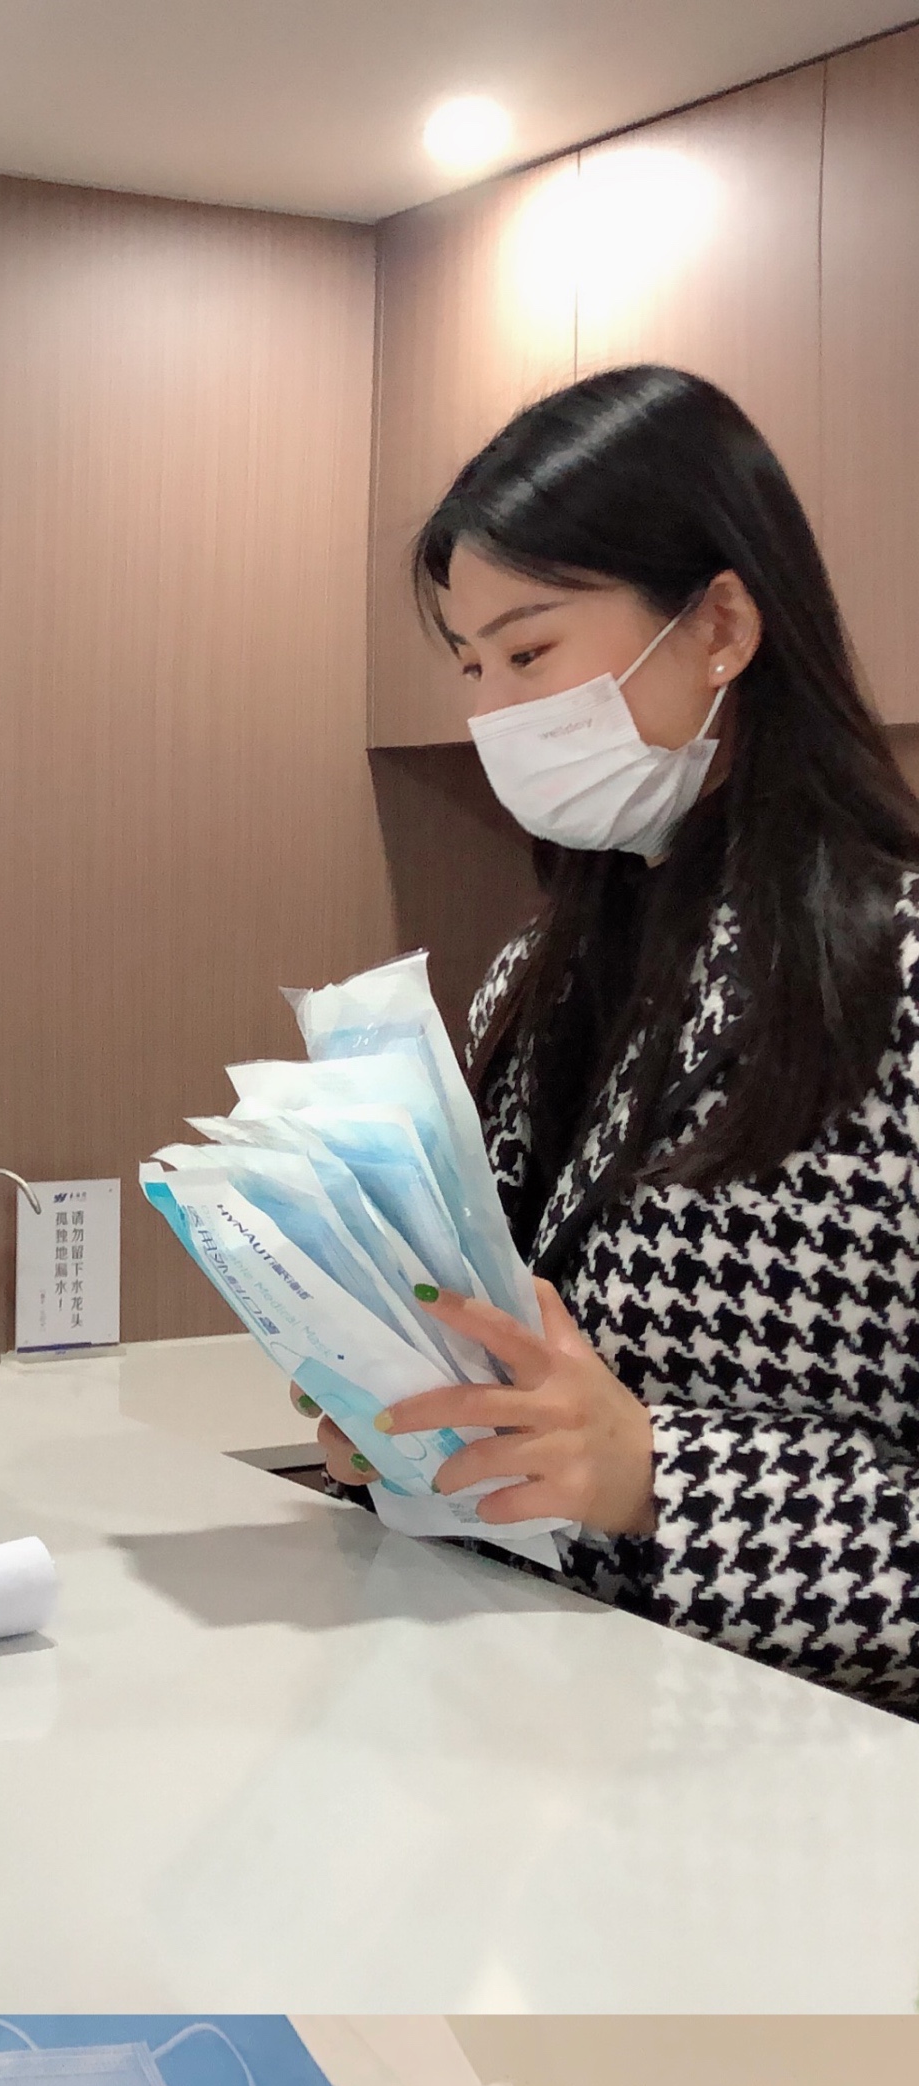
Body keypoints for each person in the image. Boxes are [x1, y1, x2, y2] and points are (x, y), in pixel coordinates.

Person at [322, 364, 919, 1709]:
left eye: (529, 652)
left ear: (722, 626)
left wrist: (660, 1478)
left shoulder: (895, 981)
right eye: (471, 666)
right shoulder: (535, 981)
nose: (494, 714)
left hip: (809, 1771)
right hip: (531, 1714)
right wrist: (413, 1428)